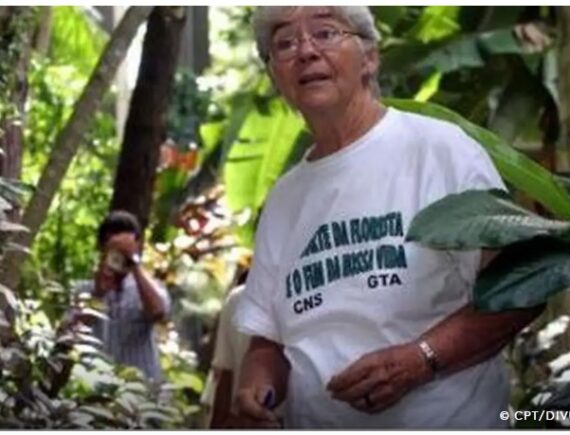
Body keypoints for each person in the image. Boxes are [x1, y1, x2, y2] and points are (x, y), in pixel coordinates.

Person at [233, 6, 544, 429]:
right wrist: (255, 390)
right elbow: (267, 342)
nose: (305, 51)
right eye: (284, 43)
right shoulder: (285, 199)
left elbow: (521, 291)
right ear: (275, 77)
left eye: (325, 32)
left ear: (370, 58)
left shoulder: (441, 150)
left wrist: (421, 359)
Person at [74, 210, 171, 382]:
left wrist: (133, 262)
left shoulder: (149, 288)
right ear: (102, 248)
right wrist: (98, 294)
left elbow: (158, 313)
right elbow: (72, 333)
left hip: (141, 390)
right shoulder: (84, 289)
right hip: (95, 386)